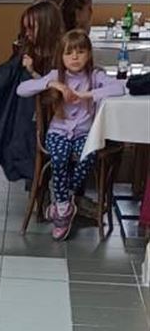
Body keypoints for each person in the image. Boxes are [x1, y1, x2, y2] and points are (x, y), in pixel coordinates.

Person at [16, 30, 125, 239]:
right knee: (59, 158)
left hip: (85, 133)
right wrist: (53, 84)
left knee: (87, 156)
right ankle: (64, 207)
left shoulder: (95, 76)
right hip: (58, 132)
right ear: (62, 56)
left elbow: (119, 88)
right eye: (69, 53)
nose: (75, 57)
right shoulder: (56, 75)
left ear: (89, 54)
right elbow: (22, 89)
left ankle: (62, 203)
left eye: (80, 52)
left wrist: (88, 95)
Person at [0, 0, 65, 201]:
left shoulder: (62, 56)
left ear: (47, 26)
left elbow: (57, 89)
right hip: (26, 125)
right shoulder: (26, 52)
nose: (27, 34)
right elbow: (4, 76)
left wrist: (32, 72)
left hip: (53, 125)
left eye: (31, 28)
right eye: (25, 28)